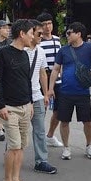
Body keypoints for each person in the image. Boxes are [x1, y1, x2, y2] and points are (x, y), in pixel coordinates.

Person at [0, 19, 34, 181]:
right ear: (22, 34)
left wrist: (31, 102)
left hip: (25, 106)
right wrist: (1, 105)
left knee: (22, 146)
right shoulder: (2, 54)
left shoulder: (25, 55)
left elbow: (27, 81)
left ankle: (16, 180)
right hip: (9, 108)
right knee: (13, 146)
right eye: (31, 32)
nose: (33, 36)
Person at [48, 22, 91, 161]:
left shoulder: (90, 47)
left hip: (83, 92)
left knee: (88, 121)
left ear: (78, 34)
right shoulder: (63, 50)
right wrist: (50, 89)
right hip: (65, 91)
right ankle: (66, 147)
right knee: (64, 121)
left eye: (69, 33)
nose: (67, 35)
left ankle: (89, 145)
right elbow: (55, 69)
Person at [26, 20, 57, 174]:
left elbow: (42, 73)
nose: (42, 35)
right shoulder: (20, 51)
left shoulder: (40, 51)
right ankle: (10, 155)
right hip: (21, 98)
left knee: (39, 130)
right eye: (39, 33)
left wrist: (46, 94)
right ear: (30, 33)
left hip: (37, 95)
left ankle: (41, 161)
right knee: (18, 130)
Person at [36, 12, 64, 148]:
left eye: (49, 23)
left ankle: (50, 135)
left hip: (58, 81)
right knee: (41, 110)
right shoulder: (37, 42)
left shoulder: (57, 40)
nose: (47, 27)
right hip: (42, 81)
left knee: (59, 110)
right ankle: (39, 137)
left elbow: (61, 61)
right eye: (44, 24)